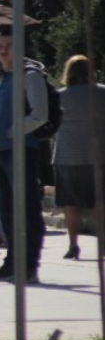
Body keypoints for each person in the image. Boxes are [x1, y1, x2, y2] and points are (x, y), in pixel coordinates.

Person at [0, 29, 47, 283]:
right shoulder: (2, 77)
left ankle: (29, 265)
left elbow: (40, 114)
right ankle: (12, 263)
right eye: (0, 45)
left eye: (9, 45)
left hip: (20, 151)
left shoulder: (29, 75)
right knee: (6, 212)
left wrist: (13, 131)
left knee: (26, 210)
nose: (3, 50)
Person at [53, 54, 105, 260]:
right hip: (97, 156)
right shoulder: (101, 93)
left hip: (67, 156)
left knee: (70, 204)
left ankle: (73, 244)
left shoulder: (59, 96)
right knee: (97, 203)